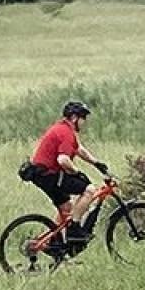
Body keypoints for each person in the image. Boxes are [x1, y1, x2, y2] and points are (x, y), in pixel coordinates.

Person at [23, 100, 108, 243]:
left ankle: (51, 243)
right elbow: (63, 160)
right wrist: (76, 172)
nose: (84, 122)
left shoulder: (64, 128)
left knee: (66, 208)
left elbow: (79, 149)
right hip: (48, 175)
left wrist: (96, 163)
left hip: (42, 175)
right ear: (74, 118)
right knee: (89, 190)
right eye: (83, 118)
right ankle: (74, 229)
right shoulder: (65, 132)